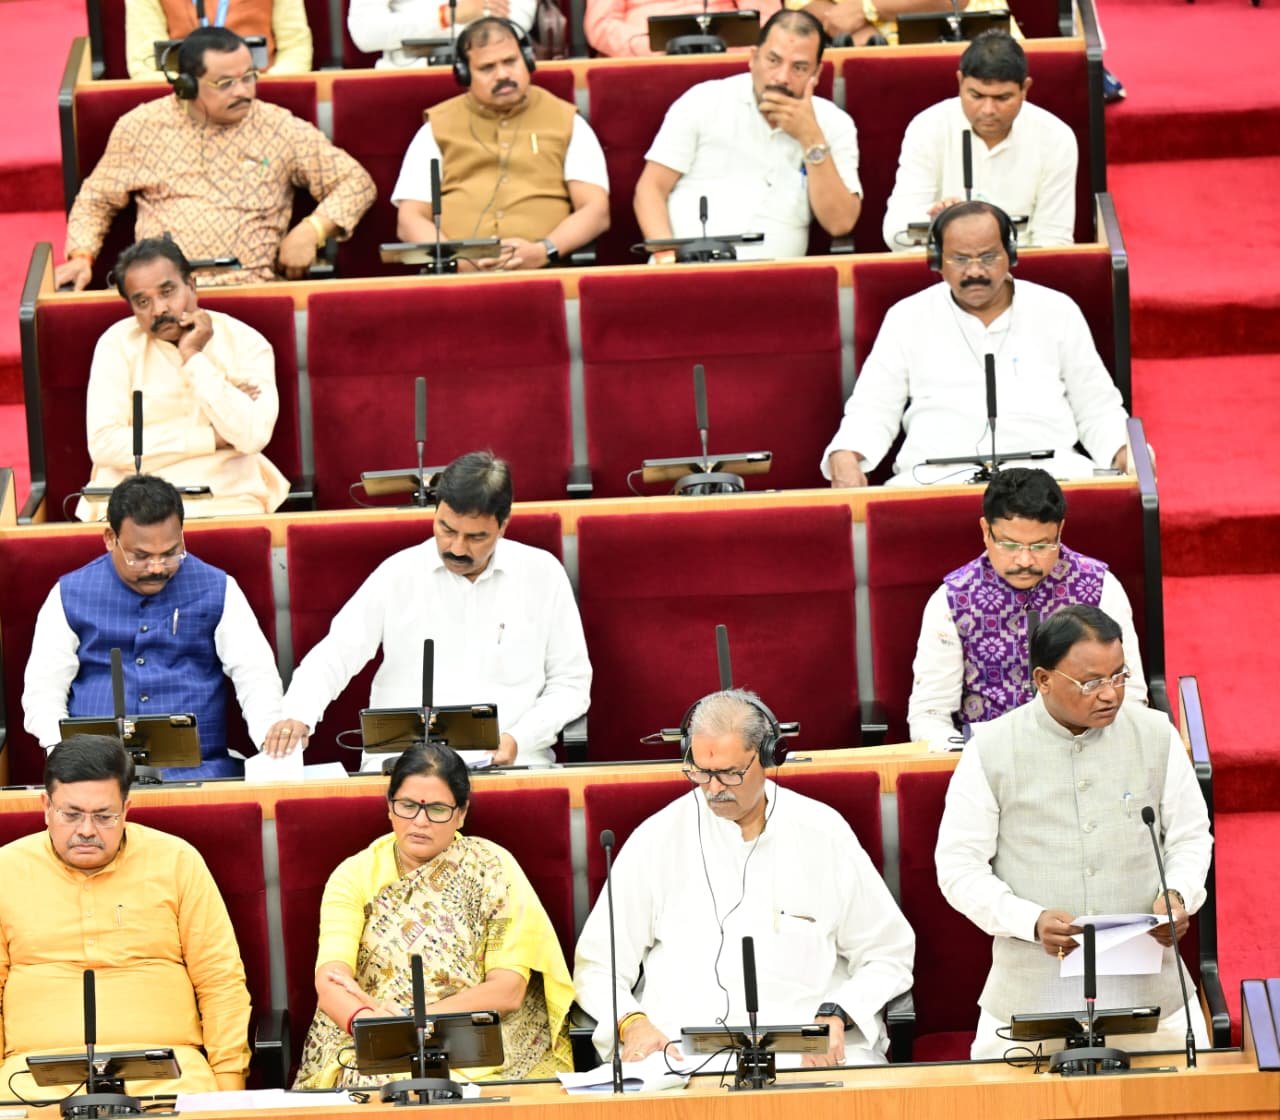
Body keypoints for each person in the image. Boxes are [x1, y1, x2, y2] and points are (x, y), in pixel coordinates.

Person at [573, 689, 914, 1067]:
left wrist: (838, 1013)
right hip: (680, 1052)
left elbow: (887, 953)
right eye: (700, 771)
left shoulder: (823, 832)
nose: (713, 788)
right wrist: (632, 1023)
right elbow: (598, 965)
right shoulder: (658, 837)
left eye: (729, 773)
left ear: (768, 757)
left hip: (805, 1046)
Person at [936, 605, 1213, 1059]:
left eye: (1119, 676)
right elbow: (958, 867)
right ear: (1043, 679)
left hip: (1152, 997)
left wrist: (1178, 894)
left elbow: (1190, 837)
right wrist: (1028, 920)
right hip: (1031, 996)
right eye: (1090, 682)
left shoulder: (1156, 735)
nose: (1110, 694)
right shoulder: (990, 748)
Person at [264, 451, 590, 766]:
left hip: (511, 764)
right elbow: (336, 653)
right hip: (405, 765)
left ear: (503, 525)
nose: (457, 548)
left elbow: (571, 684)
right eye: (447, 530)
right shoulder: (398, 573)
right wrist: (298, 714)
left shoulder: (543, 574)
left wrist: (519, 738)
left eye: (476, 537)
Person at [293, 743, 574, 1087]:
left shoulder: (492, 868)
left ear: (461, 813)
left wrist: (412, 1021)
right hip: (372, 1038)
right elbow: (332, 981)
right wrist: (372, 1024)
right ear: (390, 807)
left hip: (473, 1039)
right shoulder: (353, 876)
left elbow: (508, 990)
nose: (420, 821)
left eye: (437, 809)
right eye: (408, 806)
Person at [0, 735, 252, 1093]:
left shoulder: (176, 861)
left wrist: (229, 1085)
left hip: (167, 1071)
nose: (86, 830)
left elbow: (220, 979)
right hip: (32, 1076)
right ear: (46, 806)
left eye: (104, 816)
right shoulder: (6, 869)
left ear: (126, 808)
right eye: (71, 815)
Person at [822, 201, 1131, 488]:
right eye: (959, 259)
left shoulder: (1056, 309)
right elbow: (873, 408)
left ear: (1010, 255)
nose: (974, 271)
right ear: (936, 260)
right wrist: (846, 453)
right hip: (934, 480)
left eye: (988, 257)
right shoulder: (907, 316)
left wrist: (1123, 451)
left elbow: (1096, 405)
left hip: (1048, 476)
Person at [56, 26, 375, 291]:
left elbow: (356, 183)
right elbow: (96, 200)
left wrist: (312, 230)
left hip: (251, 291)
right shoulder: (140, 127)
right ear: (186, 85)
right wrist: (82, 256)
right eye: (225, 84)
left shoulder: (279, 127)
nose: (243, 91)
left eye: (249, 77)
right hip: (160, 298)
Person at [23, 475, 284, 780]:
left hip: (199, 772)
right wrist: (66, 759)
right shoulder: (68, 594)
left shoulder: (219, 588)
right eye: (141, 557)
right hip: (96, 775)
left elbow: (255, 675)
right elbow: (43, 692)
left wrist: (269, 738)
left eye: (171, 553)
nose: (157, 568)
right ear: (110, 539)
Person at [909, 468, 1148, 751]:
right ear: (986, 530)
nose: (1024, 560)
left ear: (1060, 531)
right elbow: (930, 715)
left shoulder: (1099, 587)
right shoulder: (952, 599)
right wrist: (969, 758)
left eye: (1041, 545)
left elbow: (1131, 696)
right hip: (991, 755)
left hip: (1087, 748)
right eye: (1009, 545)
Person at [76, 237, 289, 522]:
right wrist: (211, 438)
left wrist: (193, 357)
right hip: (133, 504)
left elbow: (252, 436)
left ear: (191, 285)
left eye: (167, 292)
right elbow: (104, 445)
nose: (159, 309)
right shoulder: (116, 344)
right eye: (142, 301)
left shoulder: (245, 342)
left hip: (225, 500)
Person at [634, 10, 861, 264]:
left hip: (778, 280)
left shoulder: (833, 123)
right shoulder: (703, 101)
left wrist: (811, 139)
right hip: (687, 270)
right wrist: (666, 259)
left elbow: (841, 223)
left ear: (816, 73)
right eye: (773, 60)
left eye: (799, 67)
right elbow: (650, 190)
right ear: (753, 58)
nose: (782, 77)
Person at [391, 18, 609, 271]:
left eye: (510, 61)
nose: (503, 74)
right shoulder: (435, 128)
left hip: (544, 273)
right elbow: (410, 219)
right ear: (464, 74)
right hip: (457, 280)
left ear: (527, 61)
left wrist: (544, 251)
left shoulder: (568, 121)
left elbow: (595, 210)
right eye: (487, 68)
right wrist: (457, 262)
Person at [882, 31, 1077, 252]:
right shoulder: (927, 127)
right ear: (960, 82)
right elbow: (894, 234)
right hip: (944, 263)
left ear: (1025, 89)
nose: (988, 110)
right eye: (976, 96)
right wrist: (936, 221)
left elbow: (1054, 242)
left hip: (1020, 266)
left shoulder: (1056, 138)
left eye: (1002, 98)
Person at [125, 0, 313, 79]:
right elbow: (145, 62)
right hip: (181, 102)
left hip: (260, 96)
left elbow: (295, 49)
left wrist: (252, 91)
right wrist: (189, 94)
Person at [349, 0, 537, 68]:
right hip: (409, 73)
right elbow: (365, 33)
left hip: (490, 69)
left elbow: (517, 20)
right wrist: (446, 16)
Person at [584, 0, 779, 57]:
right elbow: (601, 24)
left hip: (725, 56)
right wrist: (650, 47)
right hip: (646, 60)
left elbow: (768, 20)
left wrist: (722, 47)